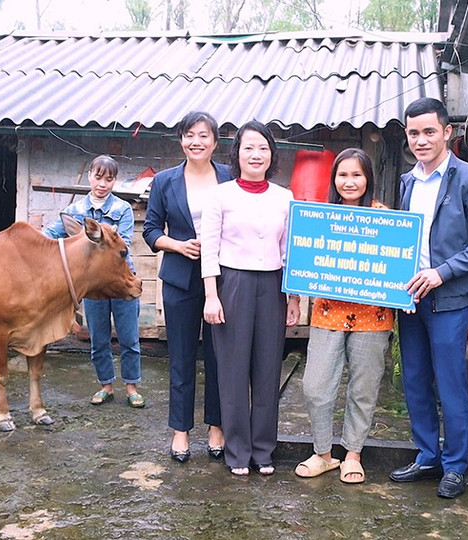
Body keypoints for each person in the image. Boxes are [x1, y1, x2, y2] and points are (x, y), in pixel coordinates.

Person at [389, 97, 468, 498]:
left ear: (447, 132)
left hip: (450, 301)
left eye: (429, 132)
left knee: (451, 386)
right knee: (416, 382)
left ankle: (455, 465)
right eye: (414, 133)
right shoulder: (407, 181)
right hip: (409, 300)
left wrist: (442, 272)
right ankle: (426, 456)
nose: (421, 140)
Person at [201, 120, 300, 477]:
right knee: (232, 369)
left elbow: (288, 250)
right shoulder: (220, 195)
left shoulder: (284, 196)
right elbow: (208, 249)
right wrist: (211, 296)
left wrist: (292, 297)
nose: (256, 154)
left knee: (267, 367)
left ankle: (263, 450)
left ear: (272, 155)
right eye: (249, 148)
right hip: (232, 284)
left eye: (263, 148)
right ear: (237, 153)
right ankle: (237, 451)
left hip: (272, 286)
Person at [293, 148, 394, 484]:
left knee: (363, 388)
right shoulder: (320, 217)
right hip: (327, 311)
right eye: (343, 175)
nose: (349, 182)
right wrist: (295, 294)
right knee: (315, 385)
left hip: (373, 315)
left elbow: (397, 261)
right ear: (333, 179)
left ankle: (353, 454)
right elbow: (301, 262)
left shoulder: (385, 217)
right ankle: (323, 453)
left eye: (357, 175)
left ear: (368, 179)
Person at [143, 111, 232, 463]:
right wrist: (177, 245)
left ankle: (216, 426)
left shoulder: (229, 177)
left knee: (218, 356)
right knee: (180, 357)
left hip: (223, 279)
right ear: (181, 139)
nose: (197, 141)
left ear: (215, 141)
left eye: (204, 135)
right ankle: (181, 431)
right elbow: (150, 230)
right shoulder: (166, 181)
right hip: (180, 278)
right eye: (189, 135)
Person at [44, 155, 144, 408]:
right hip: (92, 286)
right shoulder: (75, 212)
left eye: (108, 179)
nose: (102, 184)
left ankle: (132, 387)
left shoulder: (122, 209)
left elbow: (125, 245)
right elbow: (50, 234)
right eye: (98, 177)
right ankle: (106, 386)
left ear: (114, 181)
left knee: (128, 337)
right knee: (98, 338)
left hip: (120, 282)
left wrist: (90, 234)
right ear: (90, 176)